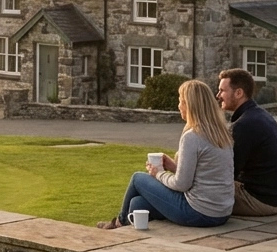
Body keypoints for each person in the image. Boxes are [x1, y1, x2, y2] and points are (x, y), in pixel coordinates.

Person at [98, 79, 235, 229]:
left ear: (190, 105)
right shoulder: (221, 134)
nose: (179, 106)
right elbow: (204, 174)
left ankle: (118, 223)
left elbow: (181, 184)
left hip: (198, 212)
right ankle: (128, 226)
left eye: (181, 101)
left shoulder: (193, 136)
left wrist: (158, 174)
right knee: (137, 203)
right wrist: (175, 167)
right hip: (221, 213)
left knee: (138, 178)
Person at [217, 68, 277, 216]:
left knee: (199, 194)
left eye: (222, 91)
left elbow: (229, 171)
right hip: (276, 198)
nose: (218, 96)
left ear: (238, 93)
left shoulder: (244, 124)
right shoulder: (259, 115)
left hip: (261, 201)